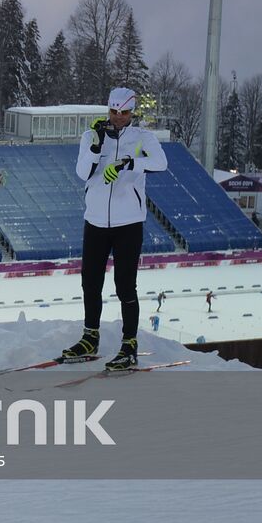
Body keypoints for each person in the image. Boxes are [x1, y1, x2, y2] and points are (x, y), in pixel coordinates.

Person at [60, 88, 168, 370]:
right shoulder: (90, 136)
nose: (119, 118)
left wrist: (130, 163)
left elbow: (161, 163)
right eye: (113, 112)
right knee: (90, 282)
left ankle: (129, 344)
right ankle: (90, 336)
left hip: (128, 223)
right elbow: (82, 173)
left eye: (125, 113)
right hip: (95, 220)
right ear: (107, 110)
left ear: (133, 112)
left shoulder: (142, 137)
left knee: (124, 285)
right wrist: (96, 148)